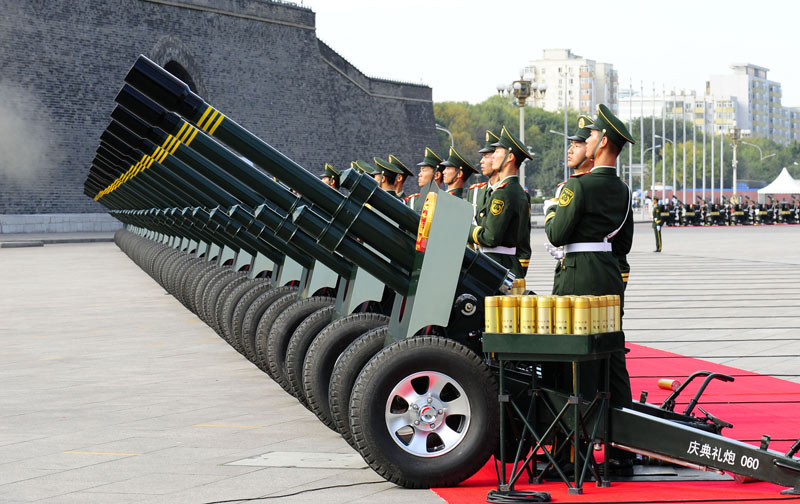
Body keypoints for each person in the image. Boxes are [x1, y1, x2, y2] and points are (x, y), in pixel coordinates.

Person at [467, 126, 532, 277]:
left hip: (495, 264)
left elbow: (490, 238)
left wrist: (465, 229)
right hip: (509, 264)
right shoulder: (517, 191)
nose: (493, 156)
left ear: (509, 157)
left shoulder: (503, 193)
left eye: (497, 152)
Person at [406, 147, 443, 212]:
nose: (419, 174)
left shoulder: (445, 201)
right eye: (420, 170)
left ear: (436, 175)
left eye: (424, 170)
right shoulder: (413, 201)